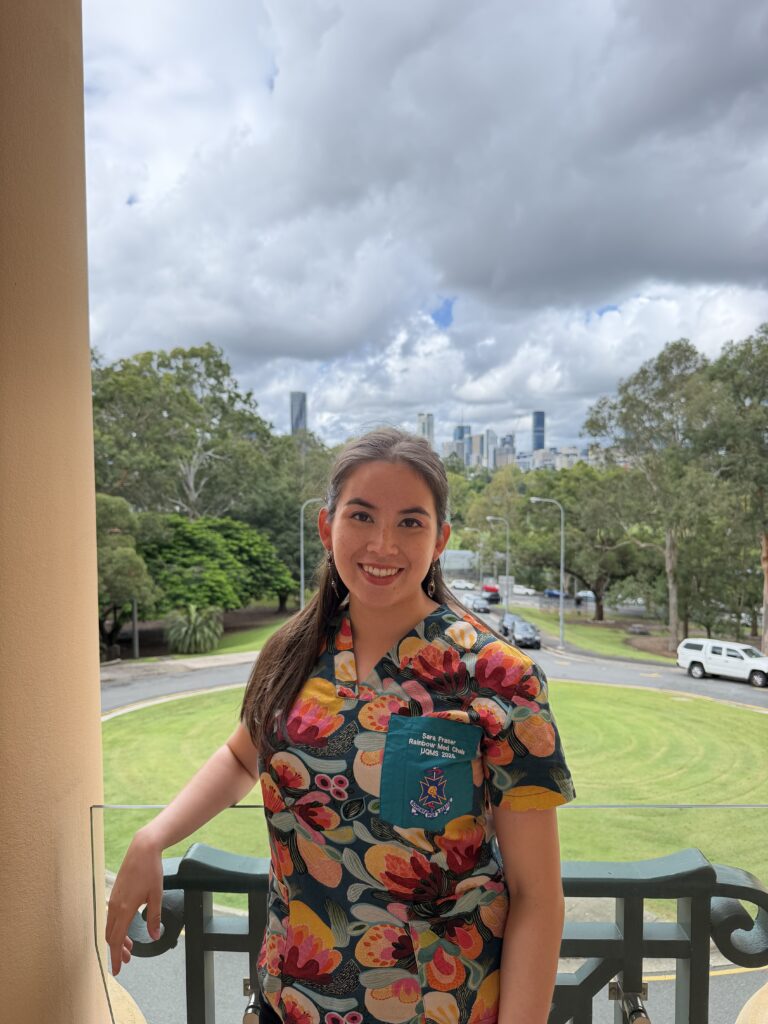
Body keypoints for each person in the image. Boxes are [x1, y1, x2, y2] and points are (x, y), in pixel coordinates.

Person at [106, 427, 576, 1024]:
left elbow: (537, 895)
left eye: (410, 522)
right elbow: (242, 757)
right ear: (327, 527)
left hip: (439, 1006)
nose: (383, 543)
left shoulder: (499, 677)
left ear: (440, 539)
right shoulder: (293, 652)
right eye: (362, 516)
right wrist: (154, 837)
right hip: (292, 999)